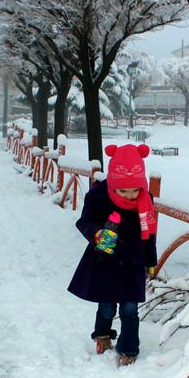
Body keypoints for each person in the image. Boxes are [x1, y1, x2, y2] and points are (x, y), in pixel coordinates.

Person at [67, 144, 158, 366]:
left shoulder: (145, 200)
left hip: (133, 261)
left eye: (134, 191)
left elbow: (150, 232)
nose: (130, 196)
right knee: (107, 304)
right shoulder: (98, 195)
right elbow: (84, 221)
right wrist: (97, 234)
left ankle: (128, 349)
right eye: (123, 191)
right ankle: (103, 335)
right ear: (114, 183)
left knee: (130, 307)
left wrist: (150, 261)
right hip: (105, 260)